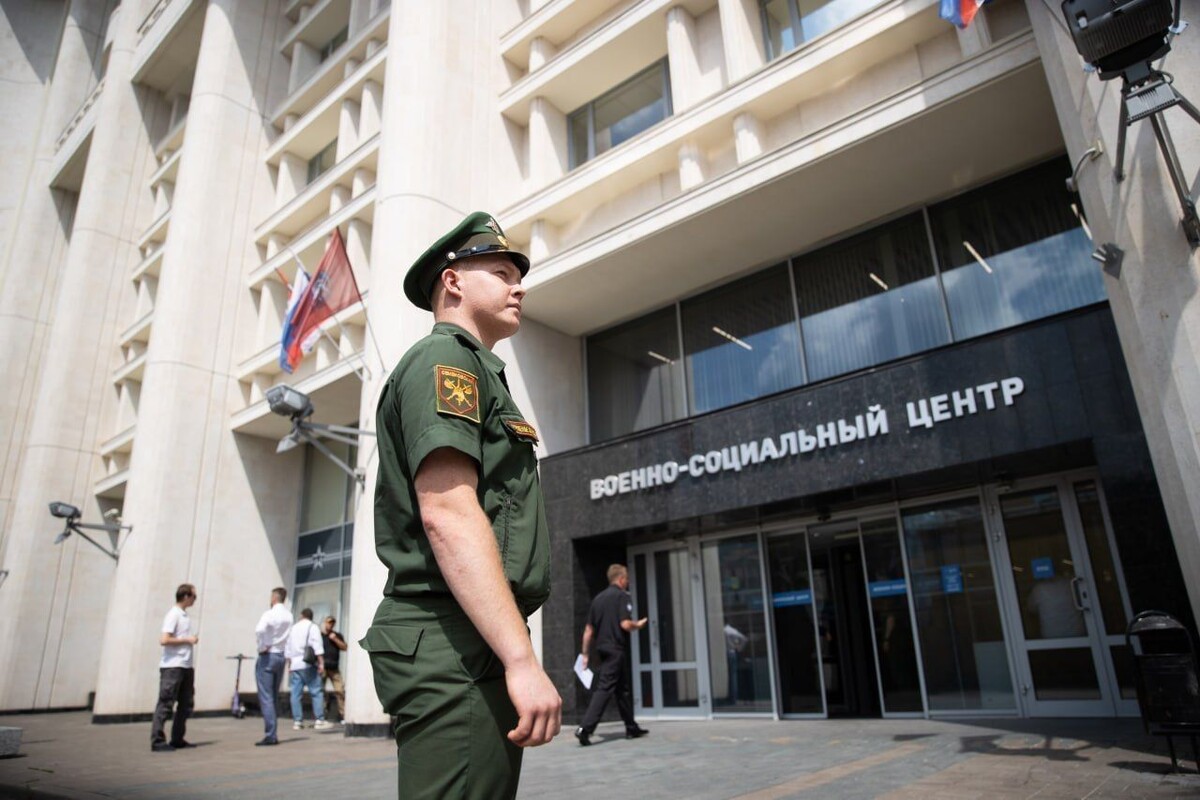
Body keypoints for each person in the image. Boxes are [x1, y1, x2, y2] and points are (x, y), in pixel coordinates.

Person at [360, 212, 560, 799]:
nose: (518, 288)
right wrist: (521, 661)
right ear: (452, 282)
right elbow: (447, 513)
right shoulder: (445, 362)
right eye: (502, 274)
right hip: (453, 641)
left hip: (468, 637)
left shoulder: (478, 370)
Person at [575, 564, 649, 746]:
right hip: (616, 649)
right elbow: (625, 624)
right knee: (605, 688)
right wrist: (639, 625)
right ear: (621, 579)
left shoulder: (598, 599)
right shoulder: (622, 596)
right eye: (627, 579)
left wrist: (585, 654)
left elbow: (588, 630)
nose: (628, 583)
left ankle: (631, 727)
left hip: (603, 650)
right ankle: (585, 728)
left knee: (622, 689)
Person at [150, 583, 199, 752]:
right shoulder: (173, 614)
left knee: (186, 703)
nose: (195, 600)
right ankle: (157, 740)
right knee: (166, 703)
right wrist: (188, 640)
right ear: (185, 596)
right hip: (172, 666)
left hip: (186, 666)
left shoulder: (184, 616)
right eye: (193, 596)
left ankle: (177, 738)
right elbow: (164, 639)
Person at [253, 587, 292, 746]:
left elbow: (259, 630)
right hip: (280, 656)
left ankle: (271, 734)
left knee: (266, 696)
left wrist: (263, 646)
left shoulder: (269, 614)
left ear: (274, 598)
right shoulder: (288, 615)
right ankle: (272, 732)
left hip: (268, 656)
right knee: (273, 695)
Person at [286, 607, 330, 730]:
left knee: (295, 694)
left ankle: (297, 721)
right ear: (311, 616)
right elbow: (317, 646)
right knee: (316, 692)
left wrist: (289, 665)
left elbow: (288, 647)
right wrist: (321, 664)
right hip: (308, 664)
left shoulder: (293, 628)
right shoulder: (312, 627)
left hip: (295, 665)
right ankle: (319, 719)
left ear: (302, 615)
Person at [321, 616, 347, 722]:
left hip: (334, 668)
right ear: (325, 623)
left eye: (332, 623)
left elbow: (344, 647)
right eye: (329, 623)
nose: (330, 625)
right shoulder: (320, 636)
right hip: (322, 668)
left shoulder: (337, 635)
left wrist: (335, 639)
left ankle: (343, 714)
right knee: (320, 691)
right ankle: (322, 715)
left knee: (340, 690)